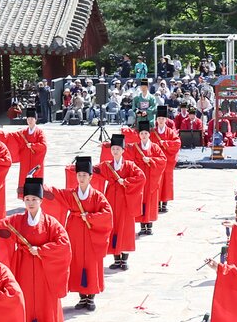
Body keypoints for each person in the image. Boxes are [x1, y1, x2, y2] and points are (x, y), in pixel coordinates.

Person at [0, 177, 72, 322]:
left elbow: (63, 244)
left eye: (34, 199)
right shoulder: (17, 220)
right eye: (27, 199)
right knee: (27, 306)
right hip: (23, 270)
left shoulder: (50, 223)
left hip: (44, 272)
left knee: (45, 306)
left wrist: (42, 250)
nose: (30, 203)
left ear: (41, 200)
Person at [43, 156, 114, 311]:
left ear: (90, 177)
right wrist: (42, 187)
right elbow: (57, 194)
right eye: (79, 175)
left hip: (91, 234)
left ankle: (91, 297)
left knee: (91, 263)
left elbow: (107, 214)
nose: (81, 178)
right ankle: (82, 297)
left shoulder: (97, 196)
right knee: (76, 262)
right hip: (74, 232)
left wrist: (90, 217)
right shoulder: (72, 194)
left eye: (84, 175)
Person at [92, 135, 147, 270]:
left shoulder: (129, 165)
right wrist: (78, 166)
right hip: (111, 199)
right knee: (113, 227)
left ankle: (124, 259)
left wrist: (126, 182)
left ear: (123, 150)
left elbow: (141, 177)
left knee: (125, 227)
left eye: (118, 149)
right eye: (113, 149)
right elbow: (93, 170)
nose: (115, 151)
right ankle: (116, 259)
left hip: (125, 201)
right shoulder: (107, 165)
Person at [128, 116, 164, 237]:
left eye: (145, 133)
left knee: (150, 201)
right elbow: (123, 150)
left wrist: (151, 160)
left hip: (150, 178)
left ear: (149, 134)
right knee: (140, 201)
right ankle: (142, 227)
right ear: (139, 135)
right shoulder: (135, 147)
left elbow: (162, 160)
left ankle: (149, 226)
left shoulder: (154, 147)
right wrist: (107, 145)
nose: (143, 135)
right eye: (141, 133)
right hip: (139, 179)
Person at [3, 110, 47, 192]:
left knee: (35, 179)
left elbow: (44, 146)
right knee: (25, 179)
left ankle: (36, 196)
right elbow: (11, 137)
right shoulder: (23, 132)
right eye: (28, 119)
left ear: (35, 120)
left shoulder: (39, 132)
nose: (30, 121)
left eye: (32, 119)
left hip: (36, 161)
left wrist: (33, 146)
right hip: (25, 161)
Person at [149, 105, 182, 214]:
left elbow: (177, 143)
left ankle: (164, 203)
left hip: (167, 160)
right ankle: (157, 202)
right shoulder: (152, 132)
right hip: (156, 161)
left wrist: (166, 143)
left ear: (166, 119)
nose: (161, 121)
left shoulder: (170, 132)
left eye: (163, 118)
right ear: (156, 120)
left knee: (167, 181)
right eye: (159, 118)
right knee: (156, 181)